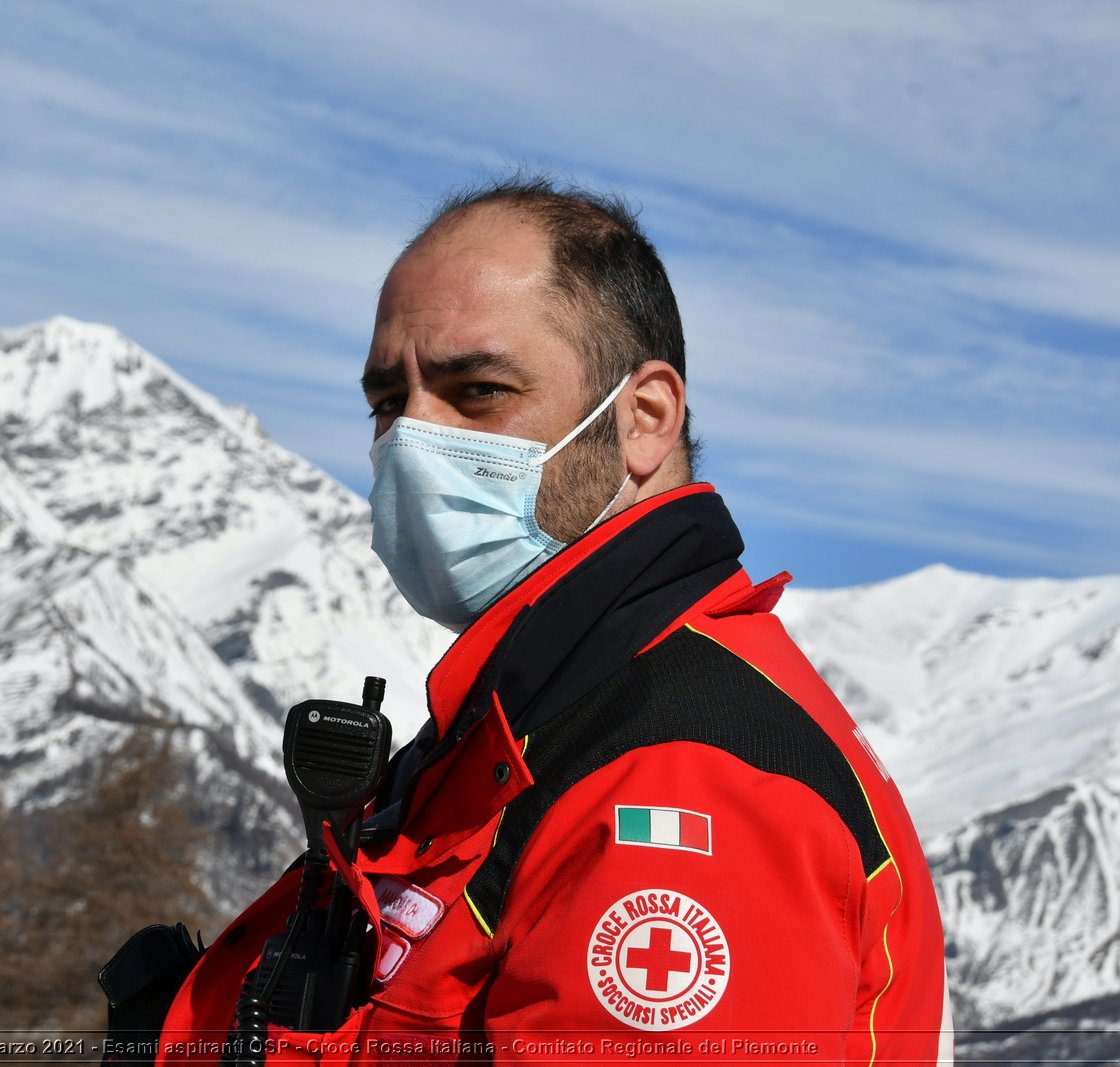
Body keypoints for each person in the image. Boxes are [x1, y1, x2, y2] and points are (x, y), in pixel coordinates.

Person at [108, 177, 951, 1064]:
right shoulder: (541, 716)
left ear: (645, 418)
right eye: (389, 401)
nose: (410, 441)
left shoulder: (680, 775)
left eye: (477, 391)